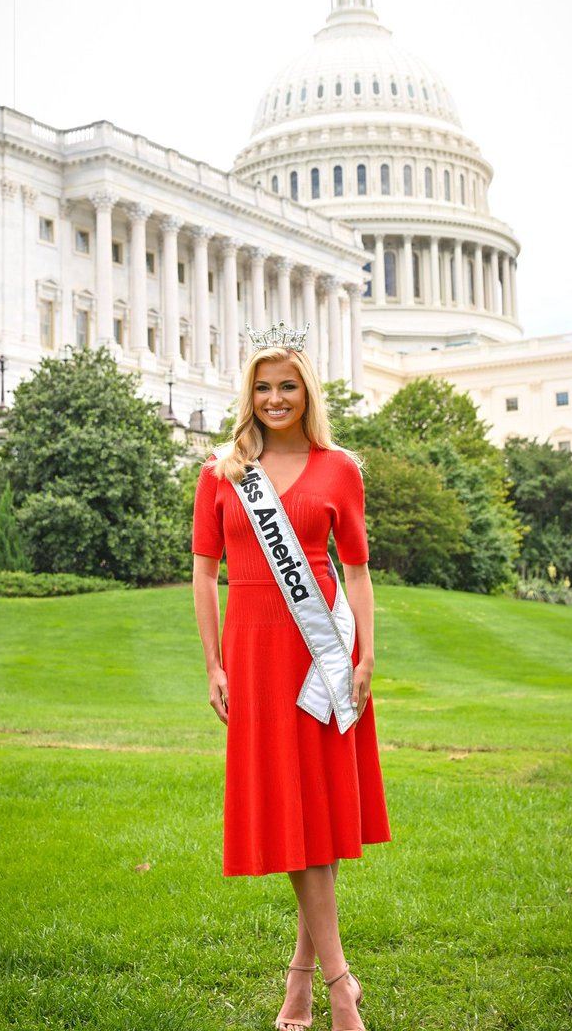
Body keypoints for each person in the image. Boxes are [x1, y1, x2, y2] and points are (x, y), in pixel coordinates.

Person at [192, 334, 390, 1031]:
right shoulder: (223, 471)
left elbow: (359, 572)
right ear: (248, 395)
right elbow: (204, 574)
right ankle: (334, 982)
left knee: (319, 819)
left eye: (288, 387)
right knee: (289, 813)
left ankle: (317, 984)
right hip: (253, 654)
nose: (275, 399)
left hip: (323, 655)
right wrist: (213, 663)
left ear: (308, 394)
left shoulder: (340, 469)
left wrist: (365, 656)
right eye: (263, 388)